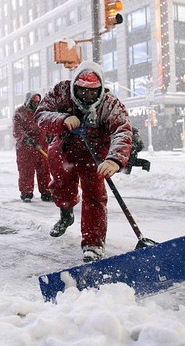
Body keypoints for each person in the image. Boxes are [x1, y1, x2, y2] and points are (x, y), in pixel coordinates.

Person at [35, 61, 132, 262]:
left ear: (100, 90)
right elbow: (42, 114)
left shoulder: (110, 104)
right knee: (61, 186)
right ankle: (66, 212)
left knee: (95, 196)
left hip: (94, 155)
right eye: (82, 92)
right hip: (64, 149)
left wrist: (114, 159)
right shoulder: (61, 92)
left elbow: (122, 130)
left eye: (92, 93)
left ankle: (93, 245)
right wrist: (62, 119)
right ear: (74, 87)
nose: (87, 97)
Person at [12, 92, 52, 203]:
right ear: (28, 101)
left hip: (42, 146)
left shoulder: (42, 112)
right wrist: (25, 138)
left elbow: (47, 126)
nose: (35, 104)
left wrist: (49, 136)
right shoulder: (20, 112)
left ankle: (46, 192)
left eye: (37, 102)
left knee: (44, 171)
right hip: (26, 148)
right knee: (26, 171)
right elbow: (17, 129)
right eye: (33, 102)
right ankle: (26, 193)